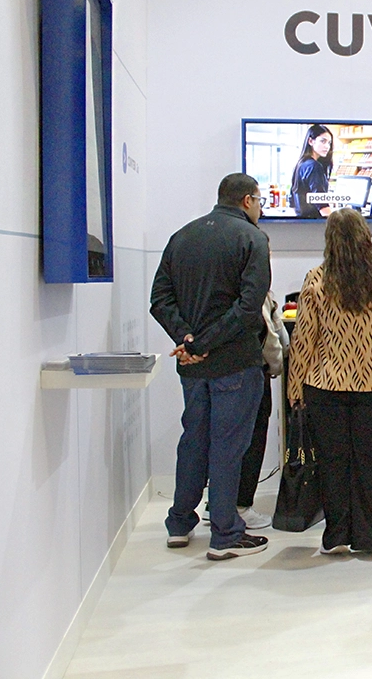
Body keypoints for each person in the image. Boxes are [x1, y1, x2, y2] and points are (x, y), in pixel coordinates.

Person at [150, 173, 272, 560]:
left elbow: (159, 299)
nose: (261, 208)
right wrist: (203, 343)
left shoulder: (182, 237)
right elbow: (249, 308)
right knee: (227, 448)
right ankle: (225, 533)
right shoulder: (252, 239)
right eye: (260, 201)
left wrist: (187, 339)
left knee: (193, 442)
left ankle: (179, 523)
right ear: (248, 200)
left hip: (192, 366)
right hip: (234, 362)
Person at [287, 209, 372, 555]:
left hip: (326, 385)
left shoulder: (317, 279)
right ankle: (370, 535)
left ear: (329, 240)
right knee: (370, 460)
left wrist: (295, 385)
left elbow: (304, 339)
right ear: (366, 237)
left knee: (333, 461)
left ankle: (336, 534)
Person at [234, 291, 289, 530]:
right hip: (253, 371)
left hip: (219, 372)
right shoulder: (254, 291)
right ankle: (241, 505)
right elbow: (270, 336)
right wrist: (277, 365)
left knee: (224, 442)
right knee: (253, 440)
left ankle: (218, 502)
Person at [289, 123, 334, 218]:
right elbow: (321, 203)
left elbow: (292, 200)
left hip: (302, 221)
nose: (327, 146)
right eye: (323, 141)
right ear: (310, 141)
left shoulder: (300, 164)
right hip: (315, 222)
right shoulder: (314, 166)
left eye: (329, 143)